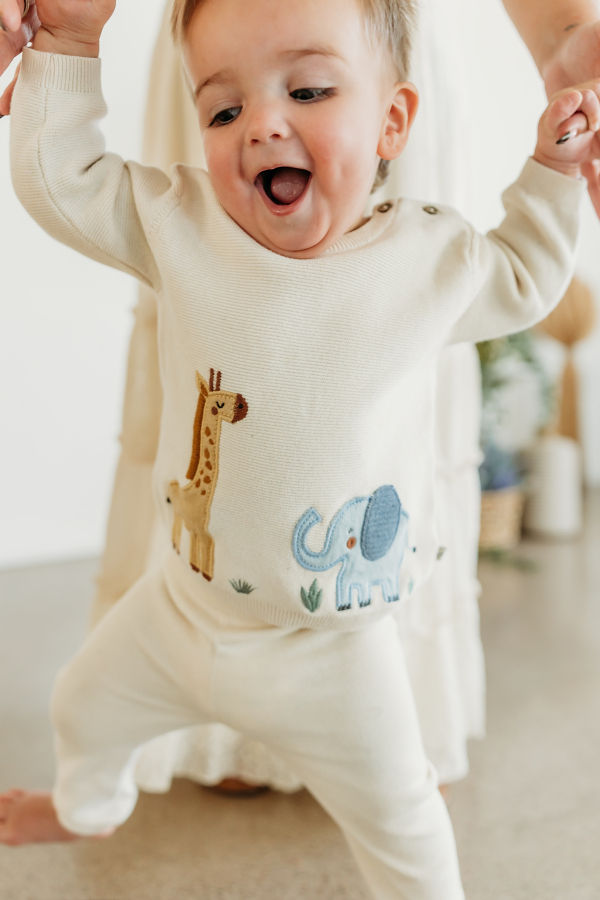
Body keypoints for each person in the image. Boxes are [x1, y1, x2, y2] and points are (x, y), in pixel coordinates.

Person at [1, 2, 598, 898]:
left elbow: (522, 274)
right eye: (223, 109)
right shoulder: (181, 224)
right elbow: (62, 180)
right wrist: (70, 43)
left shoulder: (423, 259)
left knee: (405, 821)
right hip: (177, 612)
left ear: (393, 119)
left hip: (335, 653)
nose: (263, 125)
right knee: (80, 703)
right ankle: (90, 809)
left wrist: (553, 170)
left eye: (309, 91)